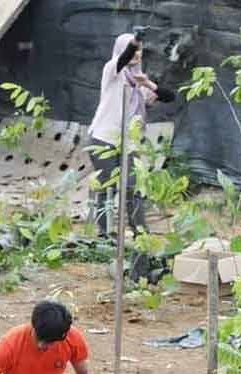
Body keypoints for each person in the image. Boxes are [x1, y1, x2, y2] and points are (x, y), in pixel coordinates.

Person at [88, 31, 175, 237]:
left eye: (140, 51)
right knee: (107, 187)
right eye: (134, 51)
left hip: (128, 143)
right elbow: (124, 58)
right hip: (104, 138)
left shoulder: (138, 83)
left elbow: (169, 97)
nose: (137, 55)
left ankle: (140, 232)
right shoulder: (112, 71)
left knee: (133, 187)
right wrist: (135, 41)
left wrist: (147, 83)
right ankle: (105, 234)